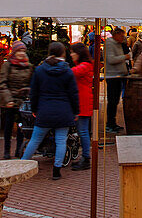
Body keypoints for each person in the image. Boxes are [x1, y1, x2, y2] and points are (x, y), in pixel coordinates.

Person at [22, 42, 79, 181]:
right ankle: (56, 170)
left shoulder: (40, 70)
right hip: (63, 110)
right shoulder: (67, 71)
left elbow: (34, 93)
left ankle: (21, 165)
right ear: (63, 54)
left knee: (35, 140)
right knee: (61, 141)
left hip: (44, 110)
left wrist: (34, 109)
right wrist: (75, 111)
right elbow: (73, 93)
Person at [0, 41, 32, 159]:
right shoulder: (8, 65)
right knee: (8, 126)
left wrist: (28, 91)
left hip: (23, 100)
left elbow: (31, 82)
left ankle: (19, 149)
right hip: (10, 101)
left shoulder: (28, 65)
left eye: (23, 51)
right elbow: (2, 83)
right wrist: (8, 99)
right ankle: (6, 150)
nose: (21, 53)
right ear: (14, 52)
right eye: (19, 51)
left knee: (21, 126)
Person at [69, 42, 94, 170]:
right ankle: (84, 157)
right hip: (82, 101)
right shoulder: (84, 65)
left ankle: (86, 158)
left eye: (73, 52)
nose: (71, 54)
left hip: (82, 102)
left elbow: (71, 73)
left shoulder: (84, 66)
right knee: (82, 131)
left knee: (83, 131)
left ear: (79, 54)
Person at [104, 27, 129, 133]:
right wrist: (125, 57)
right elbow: (111, 59)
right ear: (116, 35)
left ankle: (113, 123)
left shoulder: (118, 44)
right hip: (112, 76)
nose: (123, 38)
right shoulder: (109, 43)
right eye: (121, 36)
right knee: (112, 101)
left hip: (119, 76)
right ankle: (109, 124)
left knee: (115, 101)